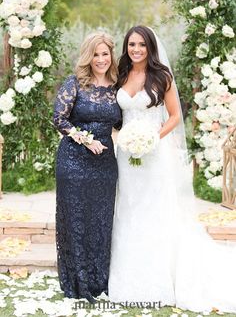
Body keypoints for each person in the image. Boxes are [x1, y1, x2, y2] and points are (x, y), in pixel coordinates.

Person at [108, 25, 236, 313]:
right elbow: (117, 116)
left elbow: (176, 116)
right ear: (126, 47)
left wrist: (154, 137)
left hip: (154, 156)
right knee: (127, 209)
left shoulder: (161, 76)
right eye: (132, 44)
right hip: (125, 157)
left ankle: (157, 280)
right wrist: (121, 138)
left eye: (142, 44)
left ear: (150, 47)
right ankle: (125, 278)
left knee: (154, 212)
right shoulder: (122, 76)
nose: (136, 49)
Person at [53, 32, 121, 303]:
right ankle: (77, 282)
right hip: (73, 161)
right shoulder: (75, 84)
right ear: (88, 56)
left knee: (100, 221)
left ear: (111, 56)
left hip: (105, 164)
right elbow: (59, 118)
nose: (101, 59)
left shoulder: (118, 88)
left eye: (105, 54)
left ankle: (98, 280)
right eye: (96, 54)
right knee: (76, 220)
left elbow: (122, 124)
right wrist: (85, 139)